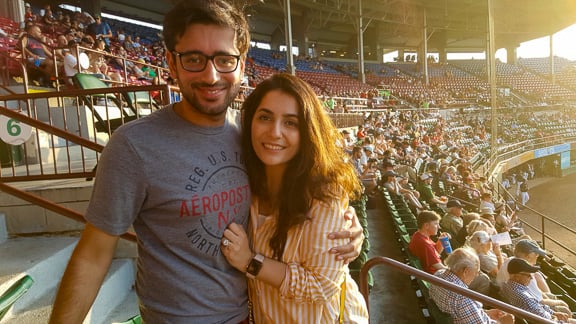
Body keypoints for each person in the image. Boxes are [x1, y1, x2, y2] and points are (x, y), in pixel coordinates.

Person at [49, 1, 362, 323]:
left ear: (242, 64)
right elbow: (94, 253)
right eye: (194, 59)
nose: (211, 76)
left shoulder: (253, 137)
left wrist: (343, 223)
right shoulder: (134, 145)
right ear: (171, 62)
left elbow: (292, 202)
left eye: (224, 60)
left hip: (251, 315)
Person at [221, 73, 369, 323]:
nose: (275, 132)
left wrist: (250, 262)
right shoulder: (245, 180)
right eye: (265, 117)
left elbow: (321, 286)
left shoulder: (324, 194)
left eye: (291, 123)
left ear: (308, 132)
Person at [429, 248, 514, 324]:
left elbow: (460, 313)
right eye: (476, 272)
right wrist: (503, 322)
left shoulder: (438, 274)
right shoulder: (463, 298)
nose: (477, 275)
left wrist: (485, 313)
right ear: (465, 271)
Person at [495, 239, 572, 316]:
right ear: (528, 256)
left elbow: (537, 295)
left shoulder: (510, 261)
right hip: (533, 308)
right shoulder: (524, 275)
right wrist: (560, 303)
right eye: (536, 255)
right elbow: (540, 301)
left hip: (513, 300)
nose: (536, 260)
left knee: (539, 278)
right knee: (565, 308)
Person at [500, 258, 576, 323]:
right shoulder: (524, 297)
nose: (531, 278)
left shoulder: (506, 285)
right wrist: (556, 317)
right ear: (517, 277)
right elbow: (547, 320)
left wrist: (554, 313)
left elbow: (538, 307)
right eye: (528, 275)